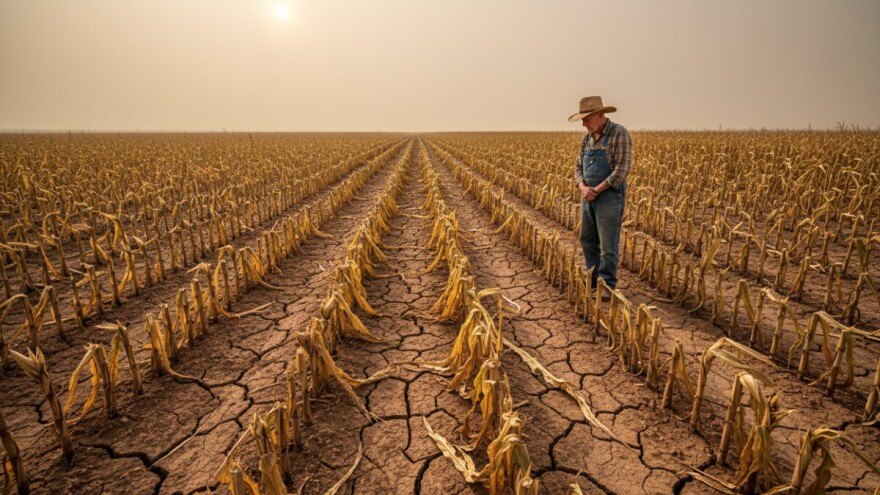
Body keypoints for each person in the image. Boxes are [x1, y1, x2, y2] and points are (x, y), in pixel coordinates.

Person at [569, 96, 631, 292]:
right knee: (587, 240)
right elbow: (578, 167)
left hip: (609, 197)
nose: (584, 125)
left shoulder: (618, 133)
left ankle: (606, 285)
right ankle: (593, 280)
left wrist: (597, 189)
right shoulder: (587, 138)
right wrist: (583, 187)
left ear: (600, 115)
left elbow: (622, 170)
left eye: (586, 119)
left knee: (608, 245)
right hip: (588, 197)